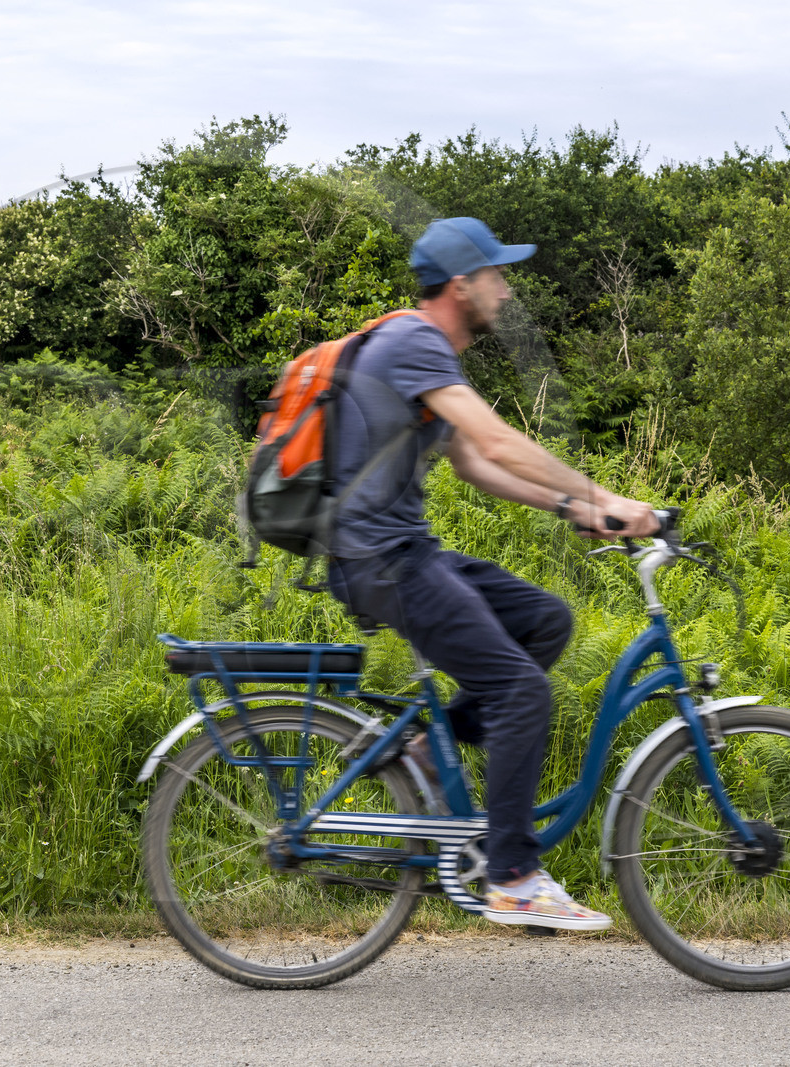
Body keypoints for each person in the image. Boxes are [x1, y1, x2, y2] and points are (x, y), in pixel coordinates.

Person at [327, 217, 659, 931]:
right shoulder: (414, 340)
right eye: (497, 276)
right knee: (519, 690)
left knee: (545, 620)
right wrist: (608, 497)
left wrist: (573, 506)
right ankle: (512, 877)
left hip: (401, 552)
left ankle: (421, 754)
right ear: (460, 285)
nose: (506, 292)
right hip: (380, 560)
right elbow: (497, 440)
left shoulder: (426, 351)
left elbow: (475, 466)